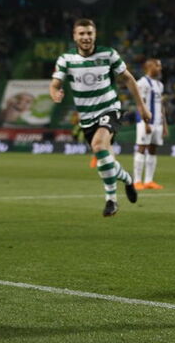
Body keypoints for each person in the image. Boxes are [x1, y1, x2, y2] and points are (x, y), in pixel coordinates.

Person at [50, 18, 151, 217]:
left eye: (89, 33)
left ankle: (111, 200)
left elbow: (128, 79)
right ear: (75, 36)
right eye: (82, 33)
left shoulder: (108, 54)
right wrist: (55, 93)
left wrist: (141, 106)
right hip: (86, 116)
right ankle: (127, 178)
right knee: (104, 157)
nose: (86, 37)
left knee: (98, 145)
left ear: (95, 35)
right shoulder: (66, 59)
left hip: (109, 109)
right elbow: (55, 84)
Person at [133, 58, 168, 190]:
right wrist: (145, 122)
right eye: (157, 66)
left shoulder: (159, 85)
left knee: (153, 150)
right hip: (145, 122)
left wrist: (164, 125)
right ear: (149, 67)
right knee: (142, 149)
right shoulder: (142, 83)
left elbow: (161, 106)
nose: (160, 68)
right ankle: (137, 181)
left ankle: (149, 181)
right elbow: (139, 104)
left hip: (158, 123)